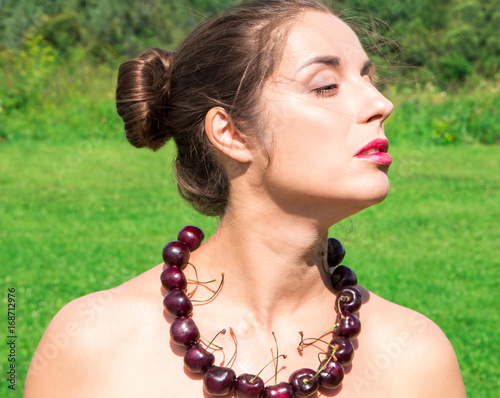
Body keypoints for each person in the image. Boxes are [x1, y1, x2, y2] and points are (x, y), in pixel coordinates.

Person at [25, 0, 467, 396]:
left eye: (369, 79)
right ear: (231, 132)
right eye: (326, 85)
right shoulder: (92, 345)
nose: (381, 103)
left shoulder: (416, 360)